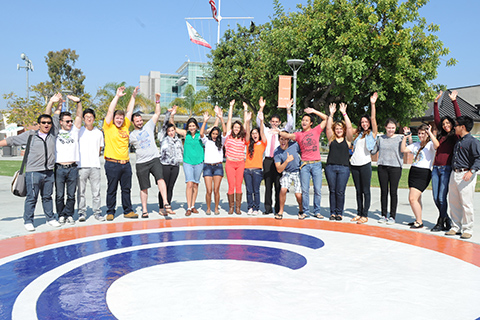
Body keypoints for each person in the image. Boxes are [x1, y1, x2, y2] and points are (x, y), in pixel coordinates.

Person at [0, 94, 62, 231]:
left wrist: (58, 104)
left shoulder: (53, 133)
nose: (46, 125)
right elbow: (12, 141)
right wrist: (50, 102)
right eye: (44, 123)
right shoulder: (30, 135)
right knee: (31, 197)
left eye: (49, 123)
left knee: (47, 197)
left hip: (48, 172)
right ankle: (28, 220)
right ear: (39, 124)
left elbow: (55, 116)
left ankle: (50, 218)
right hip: (33, 172)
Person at [130, 93, 173, 218]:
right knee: (144, 188)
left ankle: (165, 202)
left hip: (154, 159)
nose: (139, 122)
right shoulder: (132, 135)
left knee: (161, 179)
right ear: (133, 122)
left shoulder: (148, 126)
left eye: (140, 120)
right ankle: (144, 210)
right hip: (141, 163)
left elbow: (157, 114)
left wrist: (157, 101)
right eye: (137, 121)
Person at [279, 107, 328, 219]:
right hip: (304, 165)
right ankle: (305, 211)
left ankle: (317, 211)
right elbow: (287, 136)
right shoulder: (298, 134)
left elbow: (326, 118)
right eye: (303, 120)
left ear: (310, 123)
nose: (304, 122)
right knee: (305, 190)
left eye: (306, 120)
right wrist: (277, 131)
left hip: (316, 164)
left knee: (317, 190)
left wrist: (314, 111)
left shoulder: (316, 130)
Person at [46, 95, 82, 225]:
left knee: (71, 195)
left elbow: (79, 115)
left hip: (72, 168)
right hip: (59, 168)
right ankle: (61, 214)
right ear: (60, 122)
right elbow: (48, 116)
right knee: (60, 195)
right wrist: (57, 104)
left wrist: (78, 102)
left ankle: (69, 214)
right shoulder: (54, 131)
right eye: (67, 121)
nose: (70, 123)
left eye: (70, 121)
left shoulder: (75, 130)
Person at [103, 86, 138, 221]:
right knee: (112, 189)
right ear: (114, 118)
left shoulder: (125, 125)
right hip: (112, 163)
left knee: (126, 189)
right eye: (117, 118)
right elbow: (111, 110)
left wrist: (133, 96)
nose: (119, 120)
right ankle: (110, 211)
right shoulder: (108, 126)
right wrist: (117, 96)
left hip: (126, 164)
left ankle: (127, 211)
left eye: (121, 118)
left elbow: (130, 110)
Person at [430, 90, 461, 232]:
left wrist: (454, 101)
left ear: (452, 124)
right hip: (436, 169)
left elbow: (459, 118)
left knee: (442, 198)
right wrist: (435, 102)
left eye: (448, 123)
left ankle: (440, 221)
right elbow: (437, 119)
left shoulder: (455, 137)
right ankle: (446, 219)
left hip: (447, 169)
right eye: (444, 124)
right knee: (436, 198)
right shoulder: (441, 136)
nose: (445, 125)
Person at [257, 97, 293, 215]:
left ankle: (278, 208)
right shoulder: (266, 131)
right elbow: (259, 121)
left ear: (279, 122)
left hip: (279, 160)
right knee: (268, 186)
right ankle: (267, 208)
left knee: (278, 185)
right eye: (272, 121)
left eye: (276, 121)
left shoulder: (282, 132)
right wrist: (261, 108)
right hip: (268, 160)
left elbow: (290, 124)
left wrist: (288, 110)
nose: (274, 123)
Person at [445, 116, 480, 239]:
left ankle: (468, 229)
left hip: (466, 174)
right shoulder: (459, 141)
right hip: (454, 174)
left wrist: (471, 172)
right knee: (454, 202)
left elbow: (478, 158)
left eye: (456, 125)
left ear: (463, 127)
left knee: (466, 203)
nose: (454, 127)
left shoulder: (473, 142)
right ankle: (455, 227)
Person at [371, 118, 410, 225]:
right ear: (385, 128)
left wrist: (408, 136)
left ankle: (392, 216)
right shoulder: (381, 138)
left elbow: (410, 145)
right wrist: (371, 140)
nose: (391, 130)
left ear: (396, 128)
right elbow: (373, 151)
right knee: (384, 192)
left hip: (395, 167)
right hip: (382, 167)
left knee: (393, 192)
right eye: (389, 128)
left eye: (393, 128)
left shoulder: (400, 138)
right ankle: (383, 215)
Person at [401, 123, 439, 229]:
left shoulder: (430, 144)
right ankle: (418, 219)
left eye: (423, 133)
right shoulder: (416, 145)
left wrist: (430, 132)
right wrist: (405, 136)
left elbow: (437, 145)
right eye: (419, 133)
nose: (420, 136)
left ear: (427, 134)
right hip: (413, 171)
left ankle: (419, 221)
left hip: (424, 173)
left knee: (412, 199)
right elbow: (403, 149)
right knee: (417, 199)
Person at [350, 92, 378, 224]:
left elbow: (373, 119)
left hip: (365, 164)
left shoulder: (372, 134)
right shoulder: (357, 135)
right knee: (358, 191)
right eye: (362, 122)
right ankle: (359, 212)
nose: (364, 123)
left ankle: (365, 214)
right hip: (354, 164)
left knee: (366, 190)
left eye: (366, 122)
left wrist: (372, 104)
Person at [171, 108, 204, 216]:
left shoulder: (200, 134)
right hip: (187, 162)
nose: (191, 127)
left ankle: (193, 206)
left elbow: (214, 129)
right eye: (190, 126)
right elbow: (174, 128)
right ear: (188, 127)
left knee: (195, 185)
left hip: (199, 162)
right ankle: (188, 207)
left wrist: (218, 117)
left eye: (193, 126)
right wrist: (172, 116)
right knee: (189, 183)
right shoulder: (186, 134)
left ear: (196, 126)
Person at [324, 102, 354, 221]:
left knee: (340, 191)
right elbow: (327, 127)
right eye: (336, 128)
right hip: (331, 167)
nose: (338, 130)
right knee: (332, 191)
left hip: (344, 168)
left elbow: (350, 128)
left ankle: (339, 213)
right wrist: (331, 114)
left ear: (343, 129)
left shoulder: (348, 139)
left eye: (341, 128)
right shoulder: (331, 139)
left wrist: (344, 113)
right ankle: (332, 212)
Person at [77, 107, 105, 222]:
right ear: (83, 118)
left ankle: (97, 212)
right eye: (86, 117)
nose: (89, 119)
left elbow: (99, 149)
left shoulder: (98, 133)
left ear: (94, 119)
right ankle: (81, 212)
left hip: (95, 166)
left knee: (96, 191)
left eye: (91, 117)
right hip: (81, 166)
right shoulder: (79, 131)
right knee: (81, 192)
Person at [200, 106, 225, 215]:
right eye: (213, 134)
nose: (215, 135)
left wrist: (220, 118)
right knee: (209, 190)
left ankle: (216, 208)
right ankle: (208, 208)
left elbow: (224, 131)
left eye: (216, 134)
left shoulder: (221, 142)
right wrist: (205, 121)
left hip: (218, 167)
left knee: (216, 190)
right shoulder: (207, 141)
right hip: (208, 167)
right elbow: (201, 134)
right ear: (211, 134)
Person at [158, 106, 184, 213]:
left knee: (171, 187)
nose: (171, 132)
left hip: (175, 166)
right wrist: (169, 115)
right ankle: (161, 207)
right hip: (165, 165)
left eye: (172, 130)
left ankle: (168, 206)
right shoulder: (163, 137)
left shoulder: (178, 141)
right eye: (169, 131)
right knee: (164, 186)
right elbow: (164, 126)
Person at [224, 99, 248, 215]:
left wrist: (245, 109)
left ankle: (238, 207)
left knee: (239, 186)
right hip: (230, 163)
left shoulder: (243, 137)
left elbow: (245, 122)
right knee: (231, 186)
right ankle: (231, 207)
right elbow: (229, 120)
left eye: (238, 127)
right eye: (235, 127)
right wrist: (231, 106)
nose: (236, 129)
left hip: (240, 163)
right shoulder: (228, 136)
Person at [273, 130, 303, 220]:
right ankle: (281, 211)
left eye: (286, 139)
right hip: (287, 172)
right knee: (283, 190)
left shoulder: (294, 145)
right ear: (279, 140)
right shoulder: (277, 152)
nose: (283, 141)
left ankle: (301, 210)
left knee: (298, 195)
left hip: (297, 172)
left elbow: (303, 151)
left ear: (288, 140)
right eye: (281, 139)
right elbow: (279, 169)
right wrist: (286, 161)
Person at [244, 105, 267, 215]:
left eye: (256, 133)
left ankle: (256, 208)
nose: (254, 135)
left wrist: (261, 121)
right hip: (247, 170)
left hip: (257, 170)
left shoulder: (262, 143)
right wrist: (247, 121)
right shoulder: (249, 143)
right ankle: (250, 207)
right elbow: (247, 133)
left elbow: (262, 132)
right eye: (253, 134)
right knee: (249, 190)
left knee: (256, 191)